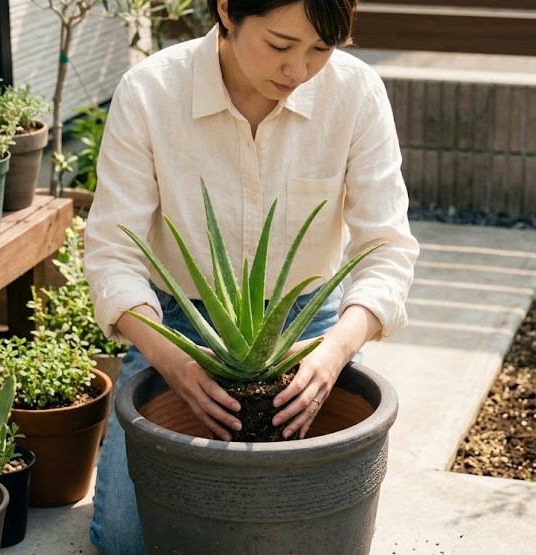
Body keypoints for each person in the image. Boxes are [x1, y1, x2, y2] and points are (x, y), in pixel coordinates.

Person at [83, 0, 419, 552]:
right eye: (280, 45)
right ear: (227, 10)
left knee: (311, 527)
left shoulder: (355, 92)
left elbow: (386, 249)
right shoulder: (150, 92)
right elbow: (113, 253)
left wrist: (335, 350)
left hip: (308, 324)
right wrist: (170, 358)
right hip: (179, 323)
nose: (299, 70)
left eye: (321, 48)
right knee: (126, 540)